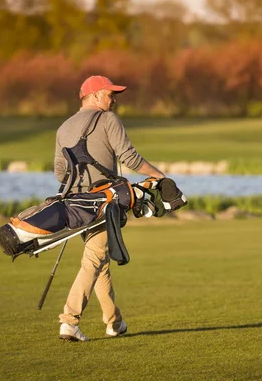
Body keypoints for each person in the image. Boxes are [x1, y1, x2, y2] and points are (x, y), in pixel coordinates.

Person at [54, 75, 165, 341]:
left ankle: (114, 322)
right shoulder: (108, 120)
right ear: (93, 96)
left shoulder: (63, 127)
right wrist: (160, 176)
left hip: (76, 205)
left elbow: (60, 173)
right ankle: (69, 321)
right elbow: (129, 158)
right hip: (104, 201)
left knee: (100, 261)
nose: (113, 100)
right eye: (109, 94)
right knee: (94, 259)